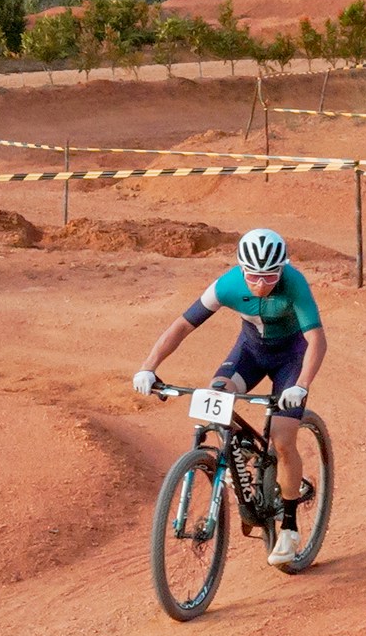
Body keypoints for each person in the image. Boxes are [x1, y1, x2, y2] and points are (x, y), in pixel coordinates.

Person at [132, 228, 328, 568]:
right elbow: (181, 326)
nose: (262, 284)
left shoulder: (295, 283)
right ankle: (239, 464)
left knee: (282, 440)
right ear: (241, 269)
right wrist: (148, 367)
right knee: (217, 399)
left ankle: (291, 527)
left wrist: (302, 384)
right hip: (249, 354)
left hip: (290, 361)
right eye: (253, 276)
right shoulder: (227, 285)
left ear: (283, 268)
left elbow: (316, 340)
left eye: (270, 276)